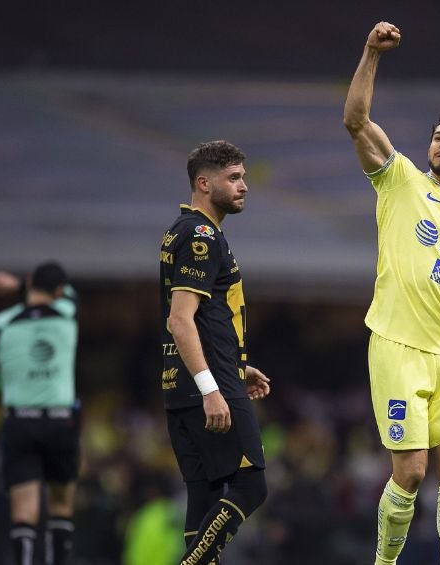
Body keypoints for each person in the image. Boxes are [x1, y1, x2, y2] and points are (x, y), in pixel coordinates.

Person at [343, 21, 440, 565]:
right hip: (398, 345)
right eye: (439, 136)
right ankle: (384, 562)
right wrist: (371, 54)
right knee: (409, 471)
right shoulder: (401, 179)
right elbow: (355, 121)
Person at [160, 140, 271, 565]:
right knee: (251, 486)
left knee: (203, 497)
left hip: (185, 385)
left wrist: (237, 365)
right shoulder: (202, 236)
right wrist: (213, 386)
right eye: (234, 178)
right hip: (208, 388)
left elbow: (203, 319)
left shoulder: (181, 230)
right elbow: (181, 318)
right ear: (204, 183)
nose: (244, 186)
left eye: (243, 177)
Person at [0, 262, 80, 565]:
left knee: (23, 513)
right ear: (58, 291)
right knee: (60, 506)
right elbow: (71, 293)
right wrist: (19, 284)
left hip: (19, 422)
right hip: (60, 421)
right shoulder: (67, 313)